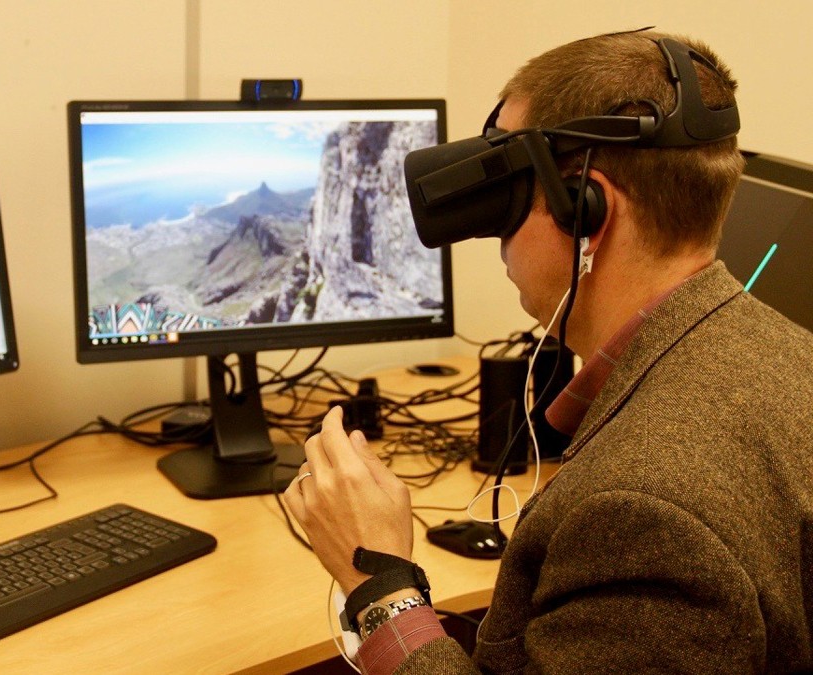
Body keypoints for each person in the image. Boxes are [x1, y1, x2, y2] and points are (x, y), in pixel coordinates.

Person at [284, 30, 813, 674]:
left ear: (590, 212)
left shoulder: (642, 515)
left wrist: (378, 579)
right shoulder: (790, 356)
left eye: (505, 195)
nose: (495, 241)